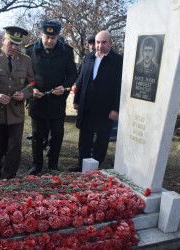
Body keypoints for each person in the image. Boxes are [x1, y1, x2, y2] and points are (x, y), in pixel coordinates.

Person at [25, 20, 77, 175]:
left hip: (56, 101)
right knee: (37, 135)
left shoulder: (66, 51)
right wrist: (31, 89)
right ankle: (37, 164)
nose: (49, 41)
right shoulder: (30, 51)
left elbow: (72, 74)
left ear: (58, 37)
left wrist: (64, 88)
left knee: (57, 134)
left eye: (53, 38)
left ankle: (53, 164)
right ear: (41, 35)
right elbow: (24, 76)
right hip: (37, 100)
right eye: (46, 37)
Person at [0, 26, 34, 180]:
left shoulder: (25, 60)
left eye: (17, 44)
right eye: (10, 43)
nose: (13, 47)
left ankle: (9, 174)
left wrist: (24, 94)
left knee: (14, 145)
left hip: (15, 111)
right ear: (3, 40)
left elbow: (31, 83)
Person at [68, 30, 122, 172]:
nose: (100, 45)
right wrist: (76, 99)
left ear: (110, 43)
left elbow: (119, 86)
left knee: (101, 141)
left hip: (105, 108)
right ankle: (81, 166)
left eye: (104, 42)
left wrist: (115, 108)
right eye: (98, 42)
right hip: (86, 106)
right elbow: (80, 81)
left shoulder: (118, 61)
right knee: (84, 139)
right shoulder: (88, 58)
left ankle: (96, 168)